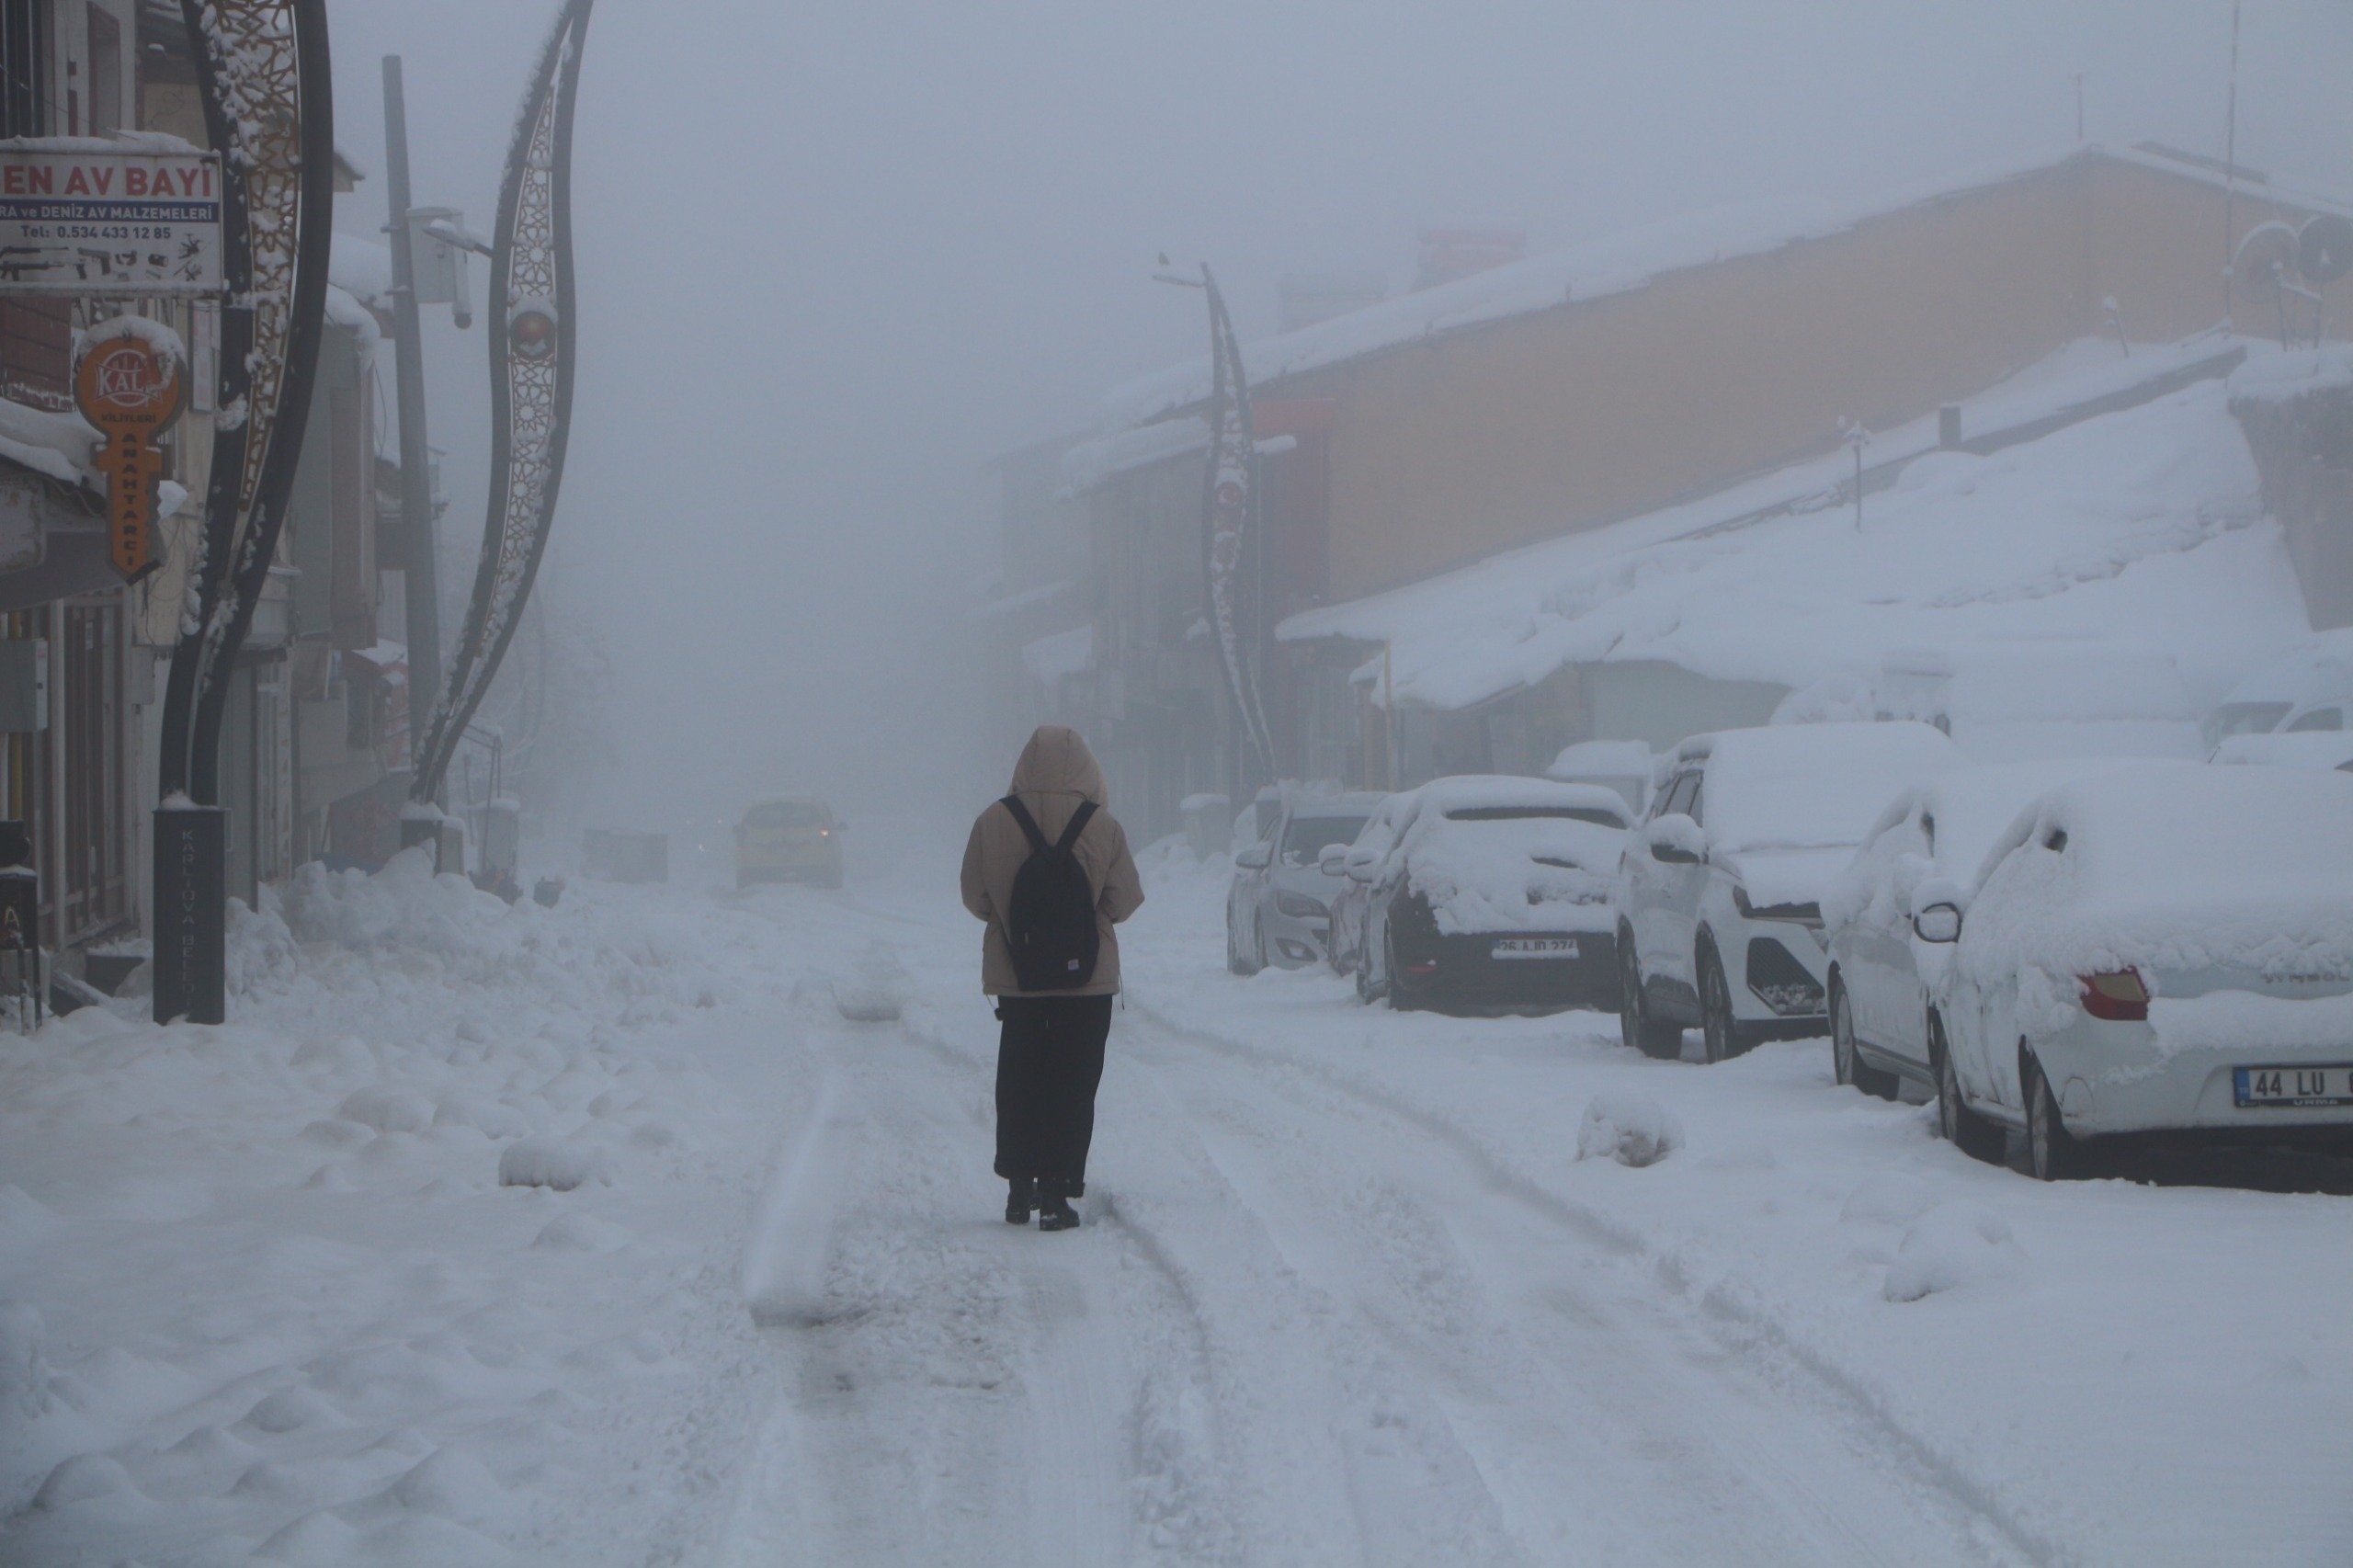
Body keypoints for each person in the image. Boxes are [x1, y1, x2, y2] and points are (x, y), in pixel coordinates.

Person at [960, 725, 1143, 1232]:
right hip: (1087, 982)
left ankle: (1019, 1189)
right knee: (1073, 1084)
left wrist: (1015, 922)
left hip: (1018, 975)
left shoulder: (993, 820)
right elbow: (1125, 899)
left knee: (1021, 1077)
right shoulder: (1102, 824)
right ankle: (1058, 1196)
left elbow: (974, 896)